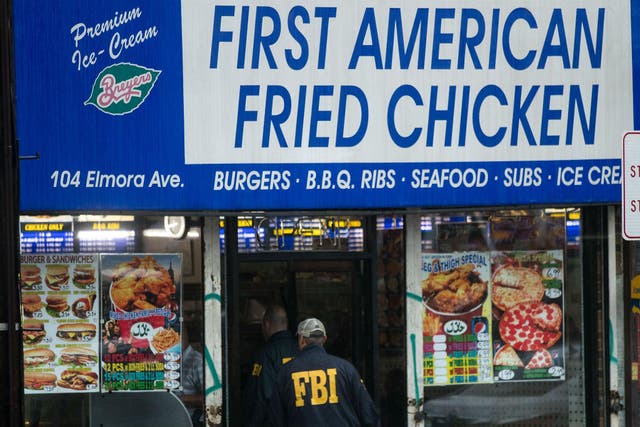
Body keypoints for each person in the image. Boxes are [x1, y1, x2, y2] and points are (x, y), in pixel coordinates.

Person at [269, 318, 379, 427]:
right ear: (324, 339)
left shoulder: (285, 373)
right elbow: (368, 414)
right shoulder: (346, 369)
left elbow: (276, 419)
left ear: (301, 339)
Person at [243, 305, 300, 427]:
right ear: (286, 323)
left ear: (266, 324)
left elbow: (261, 396)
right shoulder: (302, 349)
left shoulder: (265, 354)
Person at [178, 325, 204, 426]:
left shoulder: (197, 361)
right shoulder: (166, 360)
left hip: (190, 421)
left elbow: (211, 398)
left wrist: (178, 399)